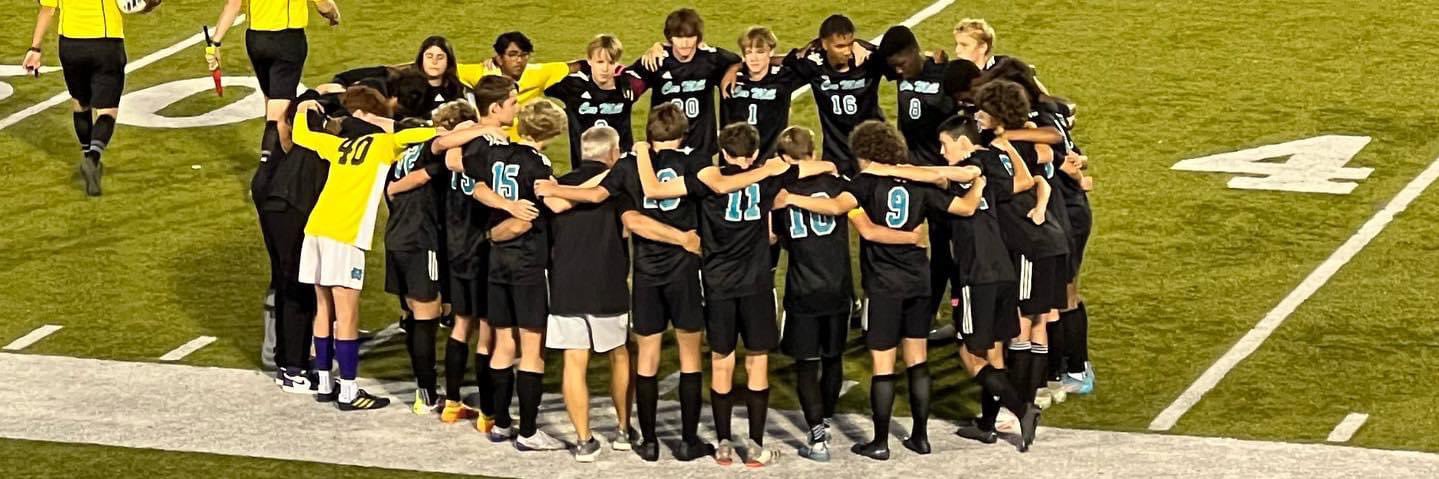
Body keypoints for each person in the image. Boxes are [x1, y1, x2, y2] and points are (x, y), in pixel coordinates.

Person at [634, 122, 836, 467]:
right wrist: (814, 165)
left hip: (717, 283)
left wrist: (641, 153)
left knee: (721, 361)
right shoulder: (770, 175)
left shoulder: (706, 178)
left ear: (723, 153)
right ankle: (755, 446)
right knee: (757, 362)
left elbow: (655, 190)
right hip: (756, 282)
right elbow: (822, 167)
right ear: (756, 153)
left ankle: (724, 443)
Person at [809, 120, 983, 460]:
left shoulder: (864, 183)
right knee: (917, 361)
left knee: (884, 365)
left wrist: (791, 198)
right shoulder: (917, 182)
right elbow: (965, 208)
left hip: (883, 286)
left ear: (864, 151)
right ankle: (920, 437)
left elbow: (833, 207)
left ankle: (880, 442)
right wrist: (979, 182)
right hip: (918, 282)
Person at [769, 126, 928, 462]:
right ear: (813, 152)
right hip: (841, 289)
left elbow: (772, 236)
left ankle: (817, 438)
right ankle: (830, 417)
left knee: (806, 365)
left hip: (804, 288)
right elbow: (848, 213)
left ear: (785, 159)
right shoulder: (840, 182)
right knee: (833, 358)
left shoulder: (780, 189)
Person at [291, 85, 436, 411]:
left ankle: (325, 383)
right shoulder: (385, 142)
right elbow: (426, 134)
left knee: (323, 308)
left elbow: (302, 135)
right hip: (346, 232)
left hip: (316, 228)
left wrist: (303, 109)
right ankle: (349, 391)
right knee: (347, 313)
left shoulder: (339, 144)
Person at [459, 98, 570, 451]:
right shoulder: (538, 162)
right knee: (532, 349)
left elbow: (475, 187)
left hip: (496, 261)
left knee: (503, 344)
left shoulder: (495, 154)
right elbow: (533, 216)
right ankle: (528, 431)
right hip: (526, 264)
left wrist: (499, 213)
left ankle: (501, 423)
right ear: (551, 132)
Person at [931, 116, 1043, 451]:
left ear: (962, 144)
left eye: (945, 145)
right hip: (1003, 269)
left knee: (969, 352)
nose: (941, 152)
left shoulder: (964, 173)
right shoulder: (991, 167)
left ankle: (1022, 408)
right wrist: (1007, 147)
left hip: (976, 273)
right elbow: (1021, 183)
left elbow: (952, 184)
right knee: (993, 351)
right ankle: (987, 423)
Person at [534, 126, 636, 462]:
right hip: (607, 281)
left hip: (566, 283)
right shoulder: (617, 186)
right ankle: (623, 429)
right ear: (612, 154)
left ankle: (583, 439)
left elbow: (555, 210)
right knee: (619, 355)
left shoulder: (560, 185)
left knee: (573, 362)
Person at [977, 80, 1067, 448]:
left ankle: (1020, 405)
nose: (977, 116)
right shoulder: (1029, 143)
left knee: (1023, 324)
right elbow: (1048, 173)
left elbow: (1032, 180)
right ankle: (1027, 401)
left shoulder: (1006, 148)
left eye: (984, 111)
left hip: (1032, 244)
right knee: (1038, 321)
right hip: (1048, 238)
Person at [381, 101, 478, 413]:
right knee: (426, 318)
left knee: (415, 315)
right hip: (420, 241)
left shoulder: (404, 156)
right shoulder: (435, 153)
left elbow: (390, 191)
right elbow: (429, 175)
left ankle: (425, 389)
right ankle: (426, 395)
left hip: (397, 238)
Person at [24, 0, 160, 196]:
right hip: (106, 45)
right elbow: (134, 4)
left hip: (70, 46)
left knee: (80, 104)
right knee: (107, 110)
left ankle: (87, 152)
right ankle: (93, 158)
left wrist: (35, 48)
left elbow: (47, 9)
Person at [629, 8, 742, 157]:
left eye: (690, 37)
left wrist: (733, 70)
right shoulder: (658, 60)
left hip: (701, 147)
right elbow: (628, 80)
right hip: (665, 144)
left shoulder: (711, 59)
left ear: (698, 38)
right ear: (670, 38)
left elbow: (738, 60)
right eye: (678, 37)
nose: (685, 43)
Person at [782, 14, 884, 177]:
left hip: (873, 148)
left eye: (850, 44)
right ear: (824, 44)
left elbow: (897, 54)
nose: (847, 51)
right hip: (837, 151)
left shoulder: (868, 59)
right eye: (840, 46)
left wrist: (864, 45)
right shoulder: (814, 65)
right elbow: (790, 60)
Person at [457, 32, 580, 139]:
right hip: (489, 138)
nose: (519, 60)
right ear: (499, 58)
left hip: (523, 142)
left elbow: (577, 66)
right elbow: (447, 68)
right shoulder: (482, 73)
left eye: (524, 55)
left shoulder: (538, 73)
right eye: (512, 55)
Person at [544, 34, 639, 166]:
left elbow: (651, 68)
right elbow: (542, 78)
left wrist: (656, 48)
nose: (605, 69)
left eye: (611, 62)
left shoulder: (628, 86)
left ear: (617, 63)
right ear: (589, 60)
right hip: (584, 169)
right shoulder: (573, 86)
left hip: (621, 170)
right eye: (600, 62)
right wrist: (578, 65)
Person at [721, 26, 806, 159]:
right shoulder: (729, 76)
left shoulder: (785, 77)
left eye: (760, 52)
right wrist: (735, 67)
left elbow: (807, 58)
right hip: (734, 159)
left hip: (770, 161)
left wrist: (737, 65)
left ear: (771, 51)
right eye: (749, 52)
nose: (754, 58)